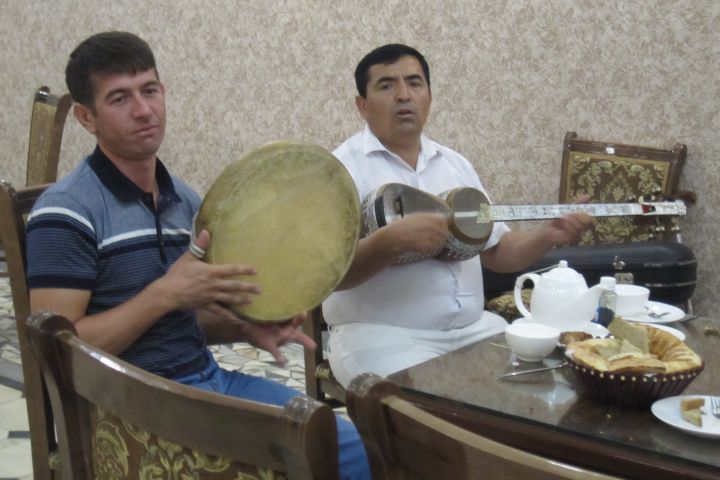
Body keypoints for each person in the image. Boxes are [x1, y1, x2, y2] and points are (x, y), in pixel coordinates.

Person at [25, 31, 369, 479]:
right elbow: (55, 347)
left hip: (203, 383)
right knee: (312, 452)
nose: (144, 109)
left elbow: (175, 323)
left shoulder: (185, 202)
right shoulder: (66, 211)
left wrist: (244, 327)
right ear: (87, 118)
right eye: (119, 98)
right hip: (129, 407)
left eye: (150, 90)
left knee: (345, 442)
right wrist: (164, 294)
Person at [324, 44, 594, 387]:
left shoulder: (455, 164)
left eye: (414, 83)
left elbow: (497, 253)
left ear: (429, 97)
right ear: (362, 105)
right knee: (425, 406)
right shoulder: (340, 171)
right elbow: (329, 277)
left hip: (474, 330)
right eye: (386, 85)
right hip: (380, 337)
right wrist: (387, 244)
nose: (404, 95)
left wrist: (547, 236)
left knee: (549, 379)